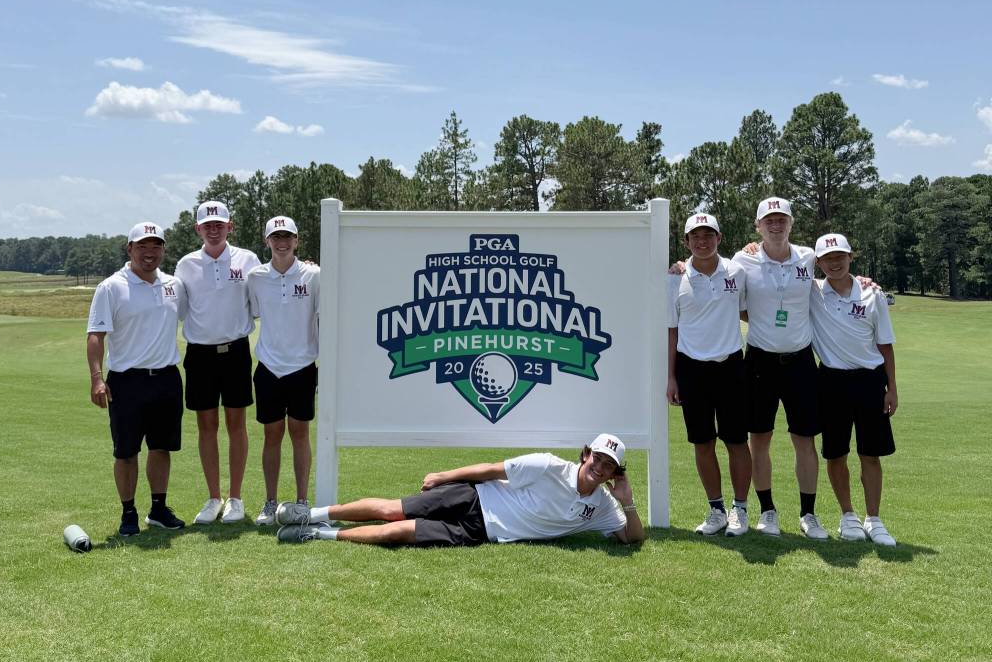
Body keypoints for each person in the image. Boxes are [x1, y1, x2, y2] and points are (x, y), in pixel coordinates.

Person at [271, 434, 645, 546]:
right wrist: (443, 477)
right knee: (391, 510)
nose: (599, 467)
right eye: (596, 458)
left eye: (608, 465)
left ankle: (317, 534)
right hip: (472, 496)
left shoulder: (602, 505)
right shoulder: (549, 464)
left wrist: (627, 503)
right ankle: (314, 512)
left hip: (480, 532)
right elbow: (490, 469)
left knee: (398, 532)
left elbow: (633, 538)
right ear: (585, 455)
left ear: (614, 473)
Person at [732, 197, 828, 539]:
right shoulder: (743, 260)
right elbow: (727, 290)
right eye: (768, 220)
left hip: (801, 361)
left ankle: (808, 514)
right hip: (760, 361)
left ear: (791, 223)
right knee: (759, 440)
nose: (776, 225)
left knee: (805, 440)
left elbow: (838, 270)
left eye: (781, 219)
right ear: (758, 226)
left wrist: (868, 284)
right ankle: (767, 511)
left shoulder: (808, 256)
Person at [86, 222, 188, 536]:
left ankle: (158, 508)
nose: (150, 252)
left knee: (161, 448)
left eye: (156, 246)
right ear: (130, 249)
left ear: (163, 250)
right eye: (142, 246)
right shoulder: (111, 287)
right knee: (126, 451)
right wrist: (97, 378)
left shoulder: (174, 284)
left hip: (167, 378)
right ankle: (128, 513)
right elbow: (95, 336)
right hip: (127, 382)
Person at [174, 201, 262, 525]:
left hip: (236, 352)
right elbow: (181, 311)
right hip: (199, 355)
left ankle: (235, 498)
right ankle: (214, 497)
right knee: (206, 427)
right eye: (207, 225)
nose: (213, 229)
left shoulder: (248, 260)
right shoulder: (185, 265)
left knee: (236, 425)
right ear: (197, 229)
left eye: (219, 224)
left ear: (230, 226)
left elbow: (260, 301)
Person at [666, 214, 753, 537]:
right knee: (702, 442)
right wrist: (671, 377)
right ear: (686, 242)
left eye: (708, 235)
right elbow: (671, 330)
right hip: (691, 368)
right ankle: (716, 509)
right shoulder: (674, 277)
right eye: (695, 237)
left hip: (731, 365)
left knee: (736, 441)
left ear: (719, 237)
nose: (702, 242)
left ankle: (740, 510)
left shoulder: (737, 271)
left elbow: (749, 308)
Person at [810, 233, 898, 546]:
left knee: (870, 455)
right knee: (836, 453)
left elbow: (885, 344)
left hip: (870, 381)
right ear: (817, 262)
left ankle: (873, 519)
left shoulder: (872, 293)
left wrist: (892, 388)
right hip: (831, 382)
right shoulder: (813, 292)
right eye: (827, 258)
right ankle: (847, 515)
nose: (834, 263)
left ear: (850, 257)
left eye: (840, 256)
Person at [246, 216, 320, 525]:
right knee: (271, 435)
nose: (282, 242)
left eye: (287, 236)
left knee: (300, 434)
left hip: (303, 367)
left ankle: (302, 501)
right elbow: (254, 311)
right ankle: (270, 501)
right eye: (276, 237)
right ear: (267, 242)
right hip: (268, 368)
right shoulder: (256, 277)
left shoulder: (314, 275)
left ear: (297, 240)